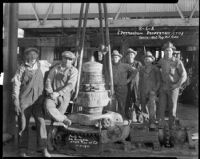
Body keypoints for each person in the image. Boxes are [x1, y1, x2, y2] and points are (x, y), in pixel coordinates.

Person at [12, 47, 51, 157]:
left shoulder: (43, 65)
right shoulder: (21, 68)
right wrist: (15, 100)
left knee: (41, 122)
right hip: (24, 100)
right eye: (30, 55)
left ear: (37, 56)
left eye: (34, 55)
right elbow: (16, 84)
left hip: (38, 100)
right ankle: (23, 149)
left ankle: (43, 148)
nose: (32, 57)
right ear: (26, 56)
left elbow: (54, 71)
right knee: (23, 124)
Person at [158, 42, 187, 128]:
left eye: (169, 50)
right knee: (161, 107)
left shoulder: (177, 61)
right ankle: (161, 125)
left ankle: (172, 126)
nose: (168, 52)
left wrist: (177, 85)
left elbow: (184, 75)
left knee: (172, 108)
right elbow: (156, 70)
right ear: (164, 52)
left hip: (173, 87)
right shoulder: (161, 61)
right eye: (166, 50)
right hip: (163, 87)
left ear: (172, 51)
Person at [44, 51, 78, 126]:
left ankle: (56, 134)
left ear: (72, 61)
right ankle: (64, 119)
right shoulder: (55, 68)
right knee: (48, 106)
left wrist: (59, 93)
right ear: (62, 58)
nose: (67, 61)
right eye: (65, 58)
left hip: (64, 96)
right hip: (52, 94)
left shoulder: (74, 71)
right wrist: (50, 92)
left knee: (57, 120)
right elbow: (49, 80)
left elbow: (70, 85)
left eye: (70, 59)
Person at [111, 50, 137, 120]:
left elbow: (135, 71)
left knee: (122, 105)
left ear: (119, 58)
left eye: (116, 57)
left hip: (122, 88)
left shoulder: (125, 66)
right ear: (111, 58)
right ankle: (114, 120)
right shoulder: (110, 67)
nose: (115, 58)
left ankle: (122, 120)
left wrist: (128, 80)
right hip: (112, 88)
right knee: (112, 105)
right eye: (113, 57)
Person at [137, 51, 161, 125]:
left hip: (152, 91)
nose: (147, 60)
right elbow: (140, 81)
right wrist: (139, 92)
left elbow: (159, 81)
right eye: (145, 59)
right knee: (143, 106)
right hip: (143, 90)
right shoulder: (141, 69)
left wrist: (155, 90)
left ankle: (152, 122)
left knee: (152, 107)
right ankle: (145, 122)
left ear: (152, 60)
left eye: (148, 59)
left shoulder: (155, 69)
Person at [125, 48, 142, 120]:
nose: (130, 56)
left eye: (131, 54)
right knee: (127, 100)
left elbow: (136, 72)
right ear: (126, 56)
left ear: (134, 56)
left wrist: (128, 80)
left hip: (136, 85)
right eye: (128, 54)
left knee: (136, 100)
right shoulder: (124, 64)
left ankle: (139, 116)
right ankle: (127, 116)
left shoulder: (138, 63)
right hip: (126, 85)